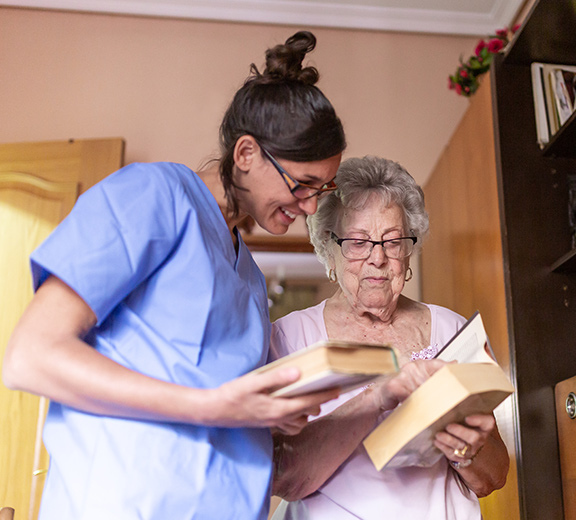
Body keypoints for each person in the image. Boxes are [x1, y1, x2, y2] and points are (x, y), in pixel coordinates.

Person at [2, 31, 347, 520]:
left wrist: (269, 416)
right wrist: (216, 407)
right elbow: (29, 356)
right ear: (246, 154)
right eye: (302, 184)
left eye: (322, 189)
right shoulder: (153, 196)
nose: (311, 206)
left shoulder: (247, 276)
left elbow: (217, 405)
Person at [269, 156, 510, 519]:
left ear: (409, 251)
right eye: (358, 242)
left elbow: (494, 477)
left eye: (393, 242)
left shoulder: (453, 329)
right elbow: (285, 479)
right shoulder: (289, 337)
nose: (378, 258)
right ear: (328, 248)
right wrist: (377, 397)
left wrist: (467, 450)